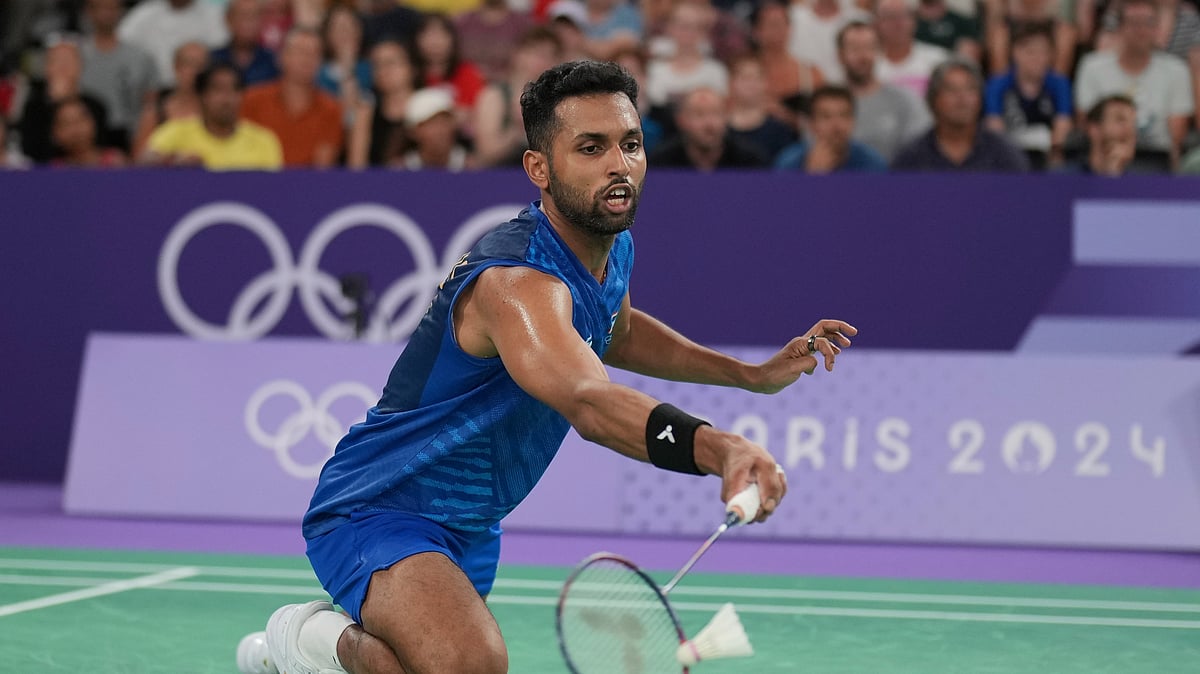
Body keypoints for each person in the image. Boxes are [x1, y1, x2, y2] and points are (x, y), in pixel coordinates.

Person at [235, 59, 854, 674]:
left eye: (630, 144)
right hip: (379, 505)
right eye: (591, 148)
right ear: (539, 168)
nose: (619, 164)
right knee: (471, 666)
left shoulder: (611, 246)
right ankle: (301, 638)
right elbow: (588, 400)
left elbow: (616, 333)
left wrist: (750, 375)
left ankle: (307, 655)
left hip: (473, 520)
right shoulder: (517, 284)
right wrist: (721, 448)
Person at [1074, 0, 1194, 166]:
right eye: (1134, 23)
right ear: (1120, 28)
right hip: (1104, 155)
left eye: (1148, 22)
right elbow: (1088, 123)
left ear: (1157, 28)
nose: (1141, 29)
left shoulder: (1176, 70)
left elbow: (1177, 136)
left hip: (1155, 159)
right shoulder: (1092, 66)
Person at [892, 57, 1030, 171]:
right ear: (933, 99)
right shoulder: (911, 158)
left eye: (970, 89)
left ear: (980, 99)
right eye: (951, 89)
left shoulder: (1004, 155)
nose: (962, 99)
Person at [142, 62, 283, 170]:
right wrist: (173, 162)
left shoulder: (263, 141)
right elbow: (144, 164)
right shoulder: (175, 131)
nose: (227, 98)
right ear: (202, 96)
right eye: (218, 90)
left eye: (234, 90)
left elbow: (272, 190)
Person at [241, 27, 343, 168]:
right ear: (281, 57)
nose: (307, 59)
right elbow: (242, 154)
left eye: (315, 53)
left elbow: (323, 168)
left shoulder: (331, 109)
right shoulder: (252, 100)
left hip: (308, 181)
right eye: (300, 51)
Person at [983, 21, 1073, 169]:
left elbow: (1063, 126)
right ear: (1015, 52)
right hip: (1008, 157)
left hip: (1047, 159)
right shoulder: (997, 85)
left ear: (1051, 55)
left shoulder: (1059, 84)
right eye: (1030, 52)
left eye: (1044, 52)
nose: (1037, 58)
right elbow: (994, 127)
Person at [837, 20, 930, 162]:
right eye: (854, 48)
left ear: (879, 52)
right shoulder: (827, 104)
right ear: (840, 55)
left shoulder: (905, 100)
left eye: (869, 48)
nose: (863, 56)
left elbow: (921, 151)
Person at [80, 0, 159, 153]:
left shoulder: (140, 57)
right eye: (100, 7)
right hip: (84, 140)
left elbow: (151, 103)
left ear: (121, 11)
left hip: (129, 136)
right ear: (88, 12)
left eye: (111, 8)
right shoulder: (76, 55)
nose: (106, 14)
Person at [649, 86, 770, 170]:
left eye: (716, 113)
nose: (709, 124)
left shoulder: (751, 162)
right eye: (699, 115)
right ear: (681, 121)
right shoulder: (661, 163)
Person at [775, 84, 887, 172]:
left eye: (844, 115)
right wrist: (811, 176)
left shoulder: (873, 164)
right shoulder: (788, 163)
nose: (836, 125)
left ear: (853, 121)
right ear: (811, 124)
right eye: (826, 116)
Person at [116, 0, 228, 86]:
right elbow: (119, 44)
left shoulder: (214, 16)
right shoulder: (143, 15)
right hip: (154, 90)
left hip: (201, 91)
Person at [1060, 94, 1139, 175]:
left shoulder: (1143, 178)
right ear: (1094, 128)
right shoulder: (1065, 177)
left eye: (1133, 122)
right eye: (1120, 119)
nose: (1130, 129)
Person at [210, 0, 280, 87]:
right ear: (228, 19)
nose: (248, 22)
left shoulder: (274, 61)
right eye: (242, 15)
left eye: (254, 16)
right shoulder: (213, 59)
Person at [48, 94, 127, 167]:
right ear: (54, 132)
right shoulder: (53, 168)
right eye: (66, 123)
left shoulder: (115, 163)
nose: (76, 129)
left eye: (81, 120)